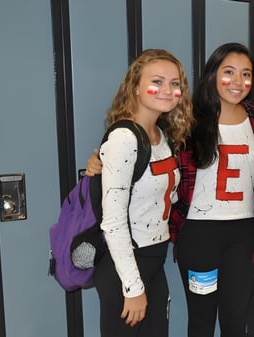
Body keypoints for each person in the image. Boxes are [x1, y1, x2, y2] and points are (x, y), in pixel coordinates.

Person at [93, 48, 193, 337]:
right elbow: (112, 222)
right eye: (157, 81)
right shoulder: (124, 137)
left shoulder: (162, 136)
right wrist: (133, 287)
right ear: (135, 87)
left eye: (175, 83)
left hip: (154, 260)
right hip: (125, 265)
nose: (168, 90)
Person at [169, 42, 254, 337]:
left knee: (236, 321)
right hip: (199, 234)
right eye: (229, 72)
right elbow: (147, 142)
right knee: (201, 321)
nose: (238, 82)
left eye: (246, 74)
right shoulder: (187, 119)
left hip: (243, 233)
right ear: (212, 74)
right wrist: (101, 159)